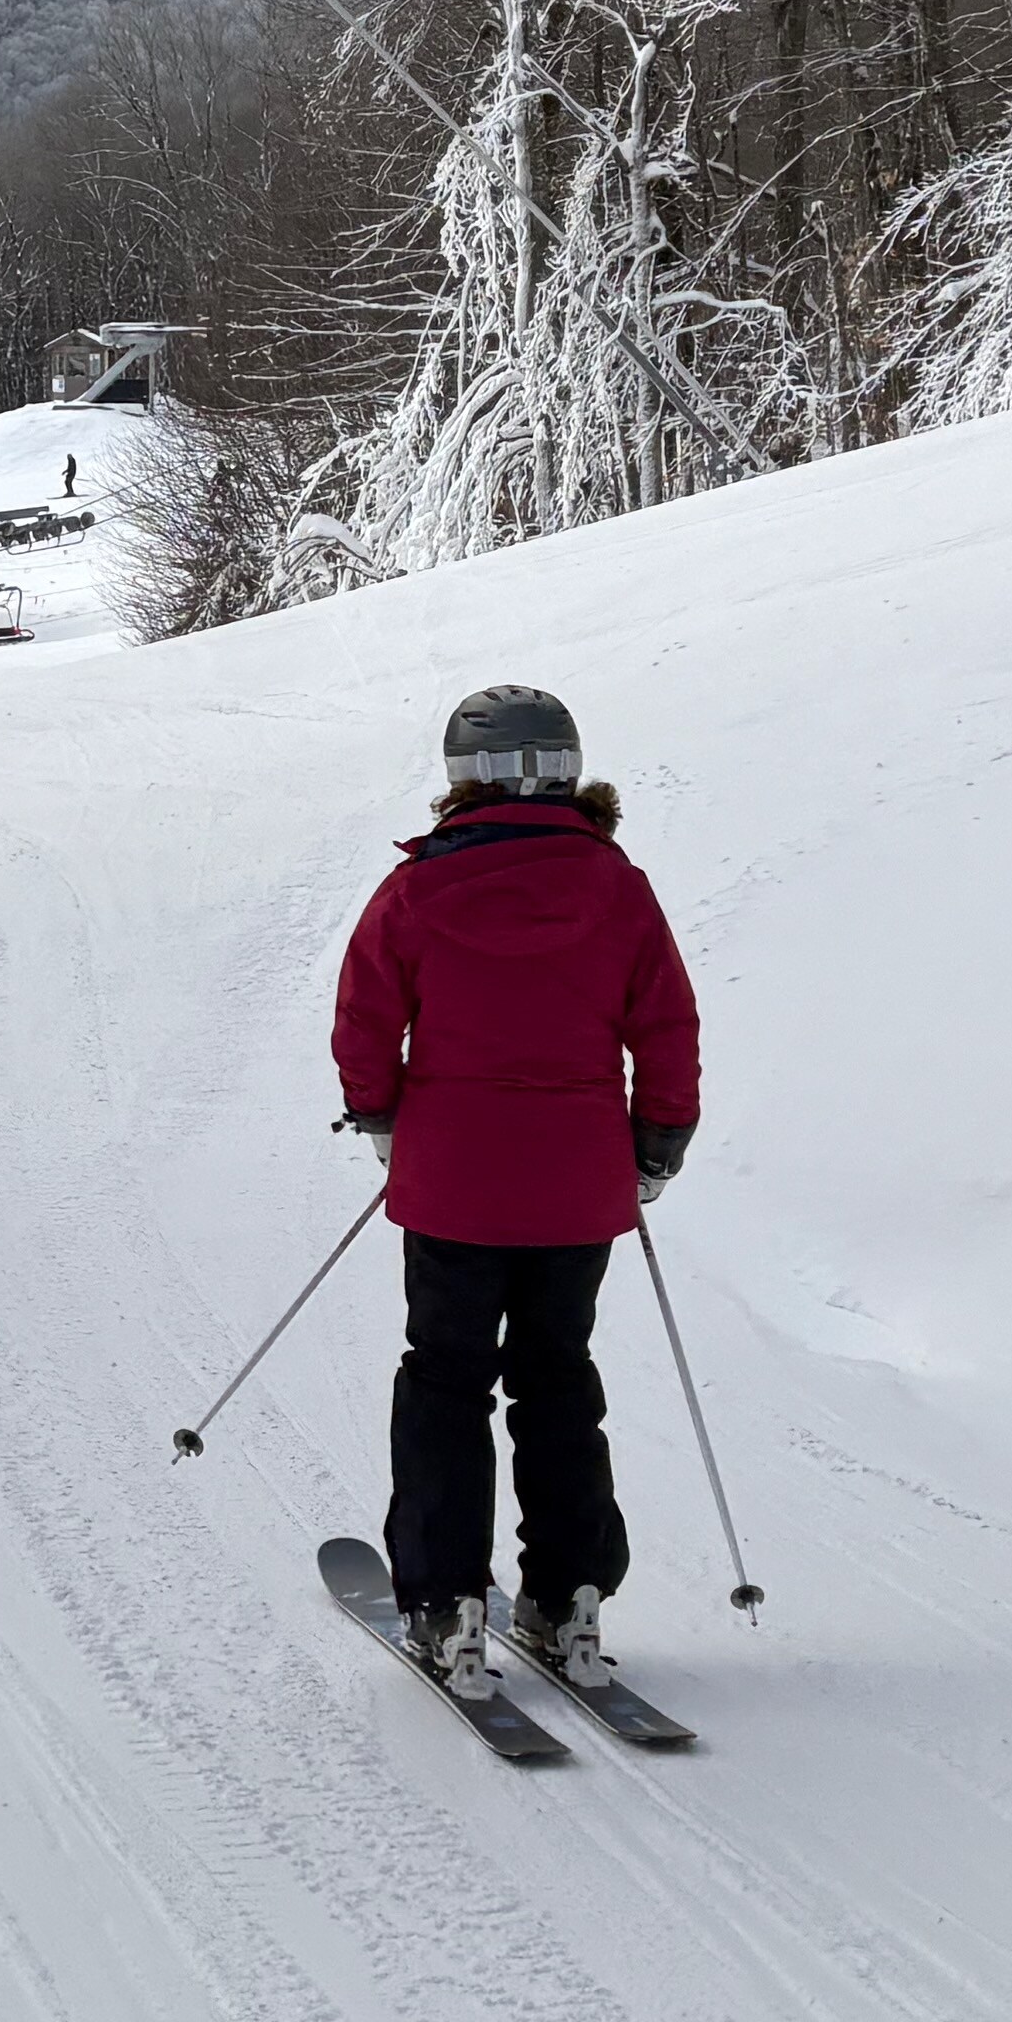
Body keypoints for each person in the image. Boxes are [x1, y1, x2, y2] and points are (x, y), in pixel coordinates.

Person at [330, 685, 698, 1701]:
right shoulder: (615, 886)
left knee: (446, 1381)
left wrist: (380, 1116)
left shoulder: (418, 889)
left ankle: (445, 1603)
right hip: (578, 1186)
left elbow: (365, 1017)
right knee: (556, 1376)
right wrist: (659, 1143)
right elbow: (666, 1024)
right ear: (567, 769)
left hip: (453, 1181)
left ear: (463, 777)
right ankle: (568, 1597)